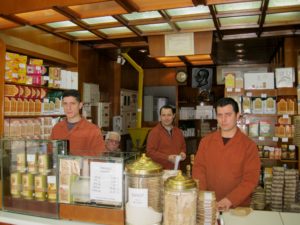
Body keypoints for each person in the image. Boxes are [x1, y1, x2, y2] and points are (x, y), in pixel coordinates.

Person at [192, 97, 260, 211]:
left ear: (237, 116)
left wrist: (230, 199)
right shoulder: (206, 142)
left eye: (228, 114)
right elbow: (199, 170)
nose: (223, 119)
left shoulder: (249, 146)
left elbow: (251, 179)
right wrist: (204, 196)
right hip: (209, 205)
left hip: (237, 206)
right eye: (220, 115)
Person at [50, 89, 105, 156]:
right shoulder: (57, 128)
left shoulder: (93, 130)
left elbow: (99, 157)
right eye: (65, 104)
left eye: (72, 104)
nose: (68, 108)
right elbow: (51, 153)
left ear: (80, 105)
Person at [146, 105, 186, 169]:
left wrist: (182, 153)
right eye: (163, 115)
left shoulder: (178, 132)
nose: (166, 118)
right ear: (160, 117)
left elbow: (183, 146)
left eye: (169, 115)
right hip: (160, 171)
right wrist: (167, 157)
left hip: (176, 170)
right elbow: (150, 152)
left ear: (173, 116)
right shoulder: (154, 132)